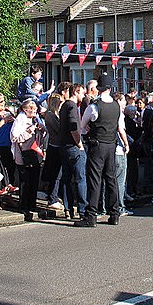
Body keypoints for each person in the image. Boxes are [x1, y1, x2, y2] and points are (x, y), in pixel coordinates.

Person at [74, 73, 129, 227]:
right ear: (110, 88)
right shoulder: (117, 106)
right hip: (111, 145)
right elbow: (120, 128)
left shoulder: (94, 106)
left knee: (95, 180)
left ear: (98, 88)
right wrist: (125, 144)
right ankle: (114, 214)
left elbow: (82, 127)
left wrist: (90, 129)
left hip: (97, 145)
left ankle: (91, 216)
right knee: (111, 179)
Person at [10, 99, 45, 221]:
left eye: (35, 109)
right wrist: (27, 132)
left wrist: (41, 129)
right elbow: (14, 137)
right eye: (32, 109)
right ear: (25, 110)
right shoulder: (20, 119)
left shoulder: (35, 119)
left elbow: (44, 133)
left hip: (35, 152)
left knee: (34, 179)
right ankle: (24, 205)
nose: (35, 111)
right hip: (24, 153)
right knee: (25, 181)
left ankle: (32, 205)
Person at [59, 83, 87, 220]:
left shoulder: (64, 105)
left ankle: (68, 208)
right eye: (82, 93)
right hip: (73, 147)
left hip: (64, 146)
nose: (84, 95)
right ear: (75, 92)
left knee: (66, 179)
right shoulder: (72, 106)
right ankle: (82, 211)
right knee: (80, 179)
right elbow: (73, 126)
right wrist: (80, 143)